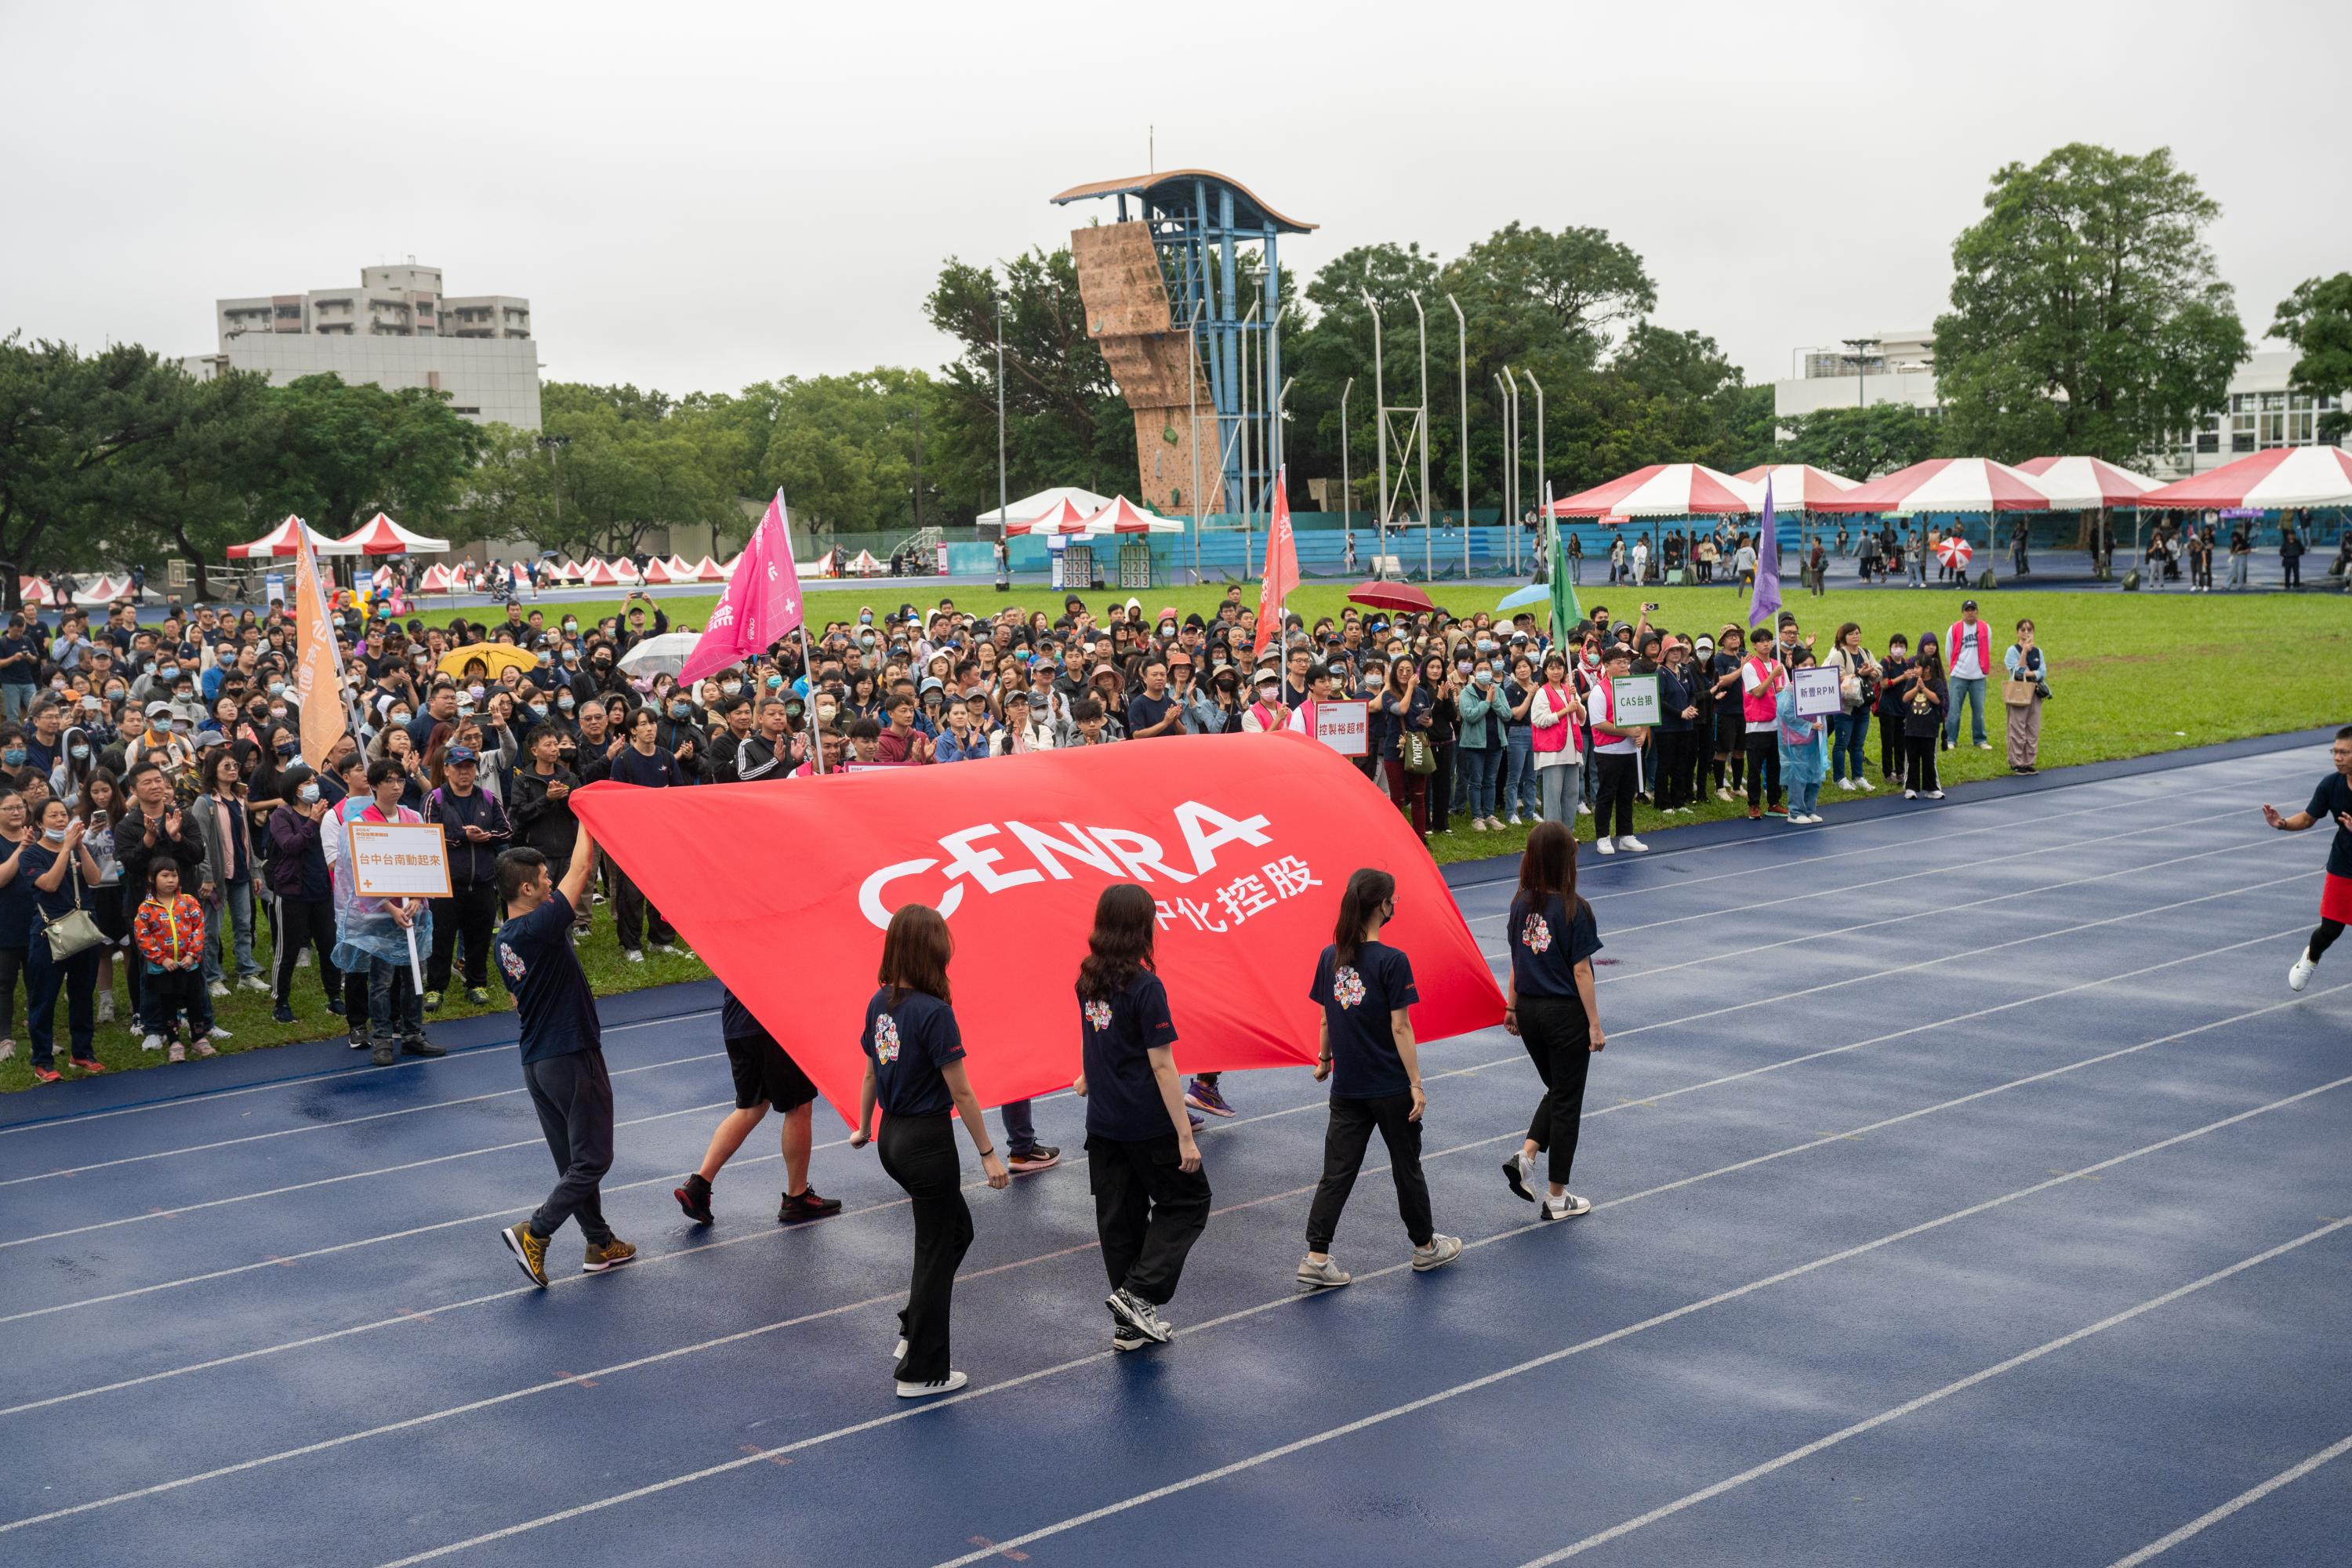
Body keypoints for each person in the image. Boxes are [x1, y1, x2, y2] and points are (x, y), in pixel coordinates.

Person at [847, 903, 1009, 1398]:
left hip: (893, 1137)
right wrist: (988, 1153)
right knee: (936, 1252)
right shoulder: (936, 1013)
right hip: (925, 1142)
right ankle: (923, 1371)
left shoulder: (881, 1003)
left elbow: (873, 1070)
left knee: (956, 1231)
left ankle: (913, 1326)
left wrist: (863, 1125)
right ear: (932, 952)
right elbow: (961, 1092)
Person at [1297, 867, 1462, 1291]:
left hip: (1347, 1088)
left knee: (1337, 1172)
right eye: (1394, 898)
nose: (1396, 905)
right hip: (1389, 1086)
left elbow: (1326, 1016)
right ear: (1383, 906)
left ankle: (1317, 1256)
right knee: (1406, 1167)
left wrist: (1324, 1060)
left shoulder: (1328, 957)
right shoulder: (1393, 961)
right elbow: (1401, 1027)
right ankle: (1425, 1248)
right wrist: (1416, 1083)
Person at [495, 821, 637, 1287]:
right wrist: (586, 815)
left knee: (573, 1162)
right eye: (544, 878)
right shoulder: (539, 926)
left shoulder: (504, 941)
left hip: (537, 1062)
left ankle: (599, 1242)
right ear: (526, 887)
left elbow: (519, 999)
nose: (552, 883)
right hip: (571, 1052)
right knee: (593, 1159)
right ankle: (535, 1233)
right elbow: (583, 865)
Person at [1071, 883, 1209, 1351]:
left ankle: (1130, 1325)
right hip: (1145, 1122)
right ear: (1141, 927)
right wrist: (1184, 1134)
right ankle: (1138, 1295)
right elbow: (1162, 1064)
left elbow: (1099, 1038)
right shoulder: (1146, 987)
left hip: (1103, 1124)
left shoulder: (1087, 980)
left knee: (1119, 1220)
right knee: (1189, 1202)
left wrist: (1090, 1075)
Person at [673, 982, 844, 1227]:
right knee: (798, 1107)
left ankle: (699, 1184)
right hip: (772, 1022)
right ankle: (797, 1198)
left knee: (751, 1107)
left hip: (736, 1021)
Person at [1501, 821, 1603, 1221]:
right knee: (1568, 1102)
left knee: (1559, 1089)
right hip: (1563, 1015)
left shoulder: (1519, 903)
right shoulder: (1576, 909)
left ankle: (1526, 1155)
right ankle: (1557, 1196)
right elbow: (1582, 972)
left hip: (1528, 1011)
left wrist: (1511, 1008)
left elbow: (1515, 960)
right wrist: (1594, 1024)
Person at [20, 797, 108, 1077]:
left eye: (64, 815)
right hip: (49, 932)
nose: (61, 820)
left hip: (83, 927)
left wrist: (80, 847)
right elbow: (49, 883)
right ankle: (43, 1061)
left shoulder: (76, 848)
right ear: (39, 823)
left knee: (82, 993)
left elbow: (95, 879)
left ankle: (82, 1052)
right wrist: (66, 849)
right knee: (44, 997)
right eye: (53, 816)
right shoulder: (31, 855)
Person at [2265, 727, 2352, 993]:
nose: (2337, 758)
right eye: (2334, 752)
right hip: (2344, 866)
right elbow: (2308, 818)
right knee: (2330, 930)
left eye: (2344, 752)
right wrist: (2282, 823)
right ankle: (2311, 958)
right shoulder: (2331, 784)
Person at [423, 745, 510, 1009]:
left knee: (479, 937)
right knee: (442, 938)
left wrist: (487, 837)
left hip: (483, 881)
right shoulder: (434, 798)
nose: (465, 771)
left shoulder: (488, 797)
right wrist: (463, 837)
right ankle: (435, 989)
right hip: (446, 884)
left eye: (470, 766)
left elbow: (505, 831)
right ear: (447, 769)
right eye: (459, 767)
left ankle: (477, 984)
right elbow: (428, 836)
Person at [133, 858, 212, 1061]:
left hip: (189, 965)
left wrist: (192, 955)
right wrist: (161, 959)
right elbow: (143, 937)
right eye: (165, 876)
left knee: (194, 1001)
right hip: (163, 969)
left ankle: (198, 1037)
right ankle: (174, 1041)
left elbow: (199, 927)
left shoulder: (188, 901)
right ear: (152, 878)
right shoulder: (146, 908)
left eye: (174, 875)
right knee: (167, 1004)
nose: (170, 880)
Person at [1585, 644, 1648, 855]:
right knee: (1606, 795)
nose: (1624, 666)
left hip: (1630, 750)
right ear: (1606, 666)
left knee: (1626, 795)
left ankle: (1626, 835)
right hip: (1608, 752)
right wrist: (1628, 731)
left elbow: (1646, 713)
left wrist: (1642, 734)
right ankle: (1603, 837)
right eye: (1619, 663)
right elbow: (1598, 723)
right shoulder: (1599, 691)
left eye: (1626, 662)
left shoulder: (1633, 685)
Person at [1528, 650, 1583, 833]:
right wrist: (1565, 711)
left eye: (1559, 668)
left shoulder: (1570, 691)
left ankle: (1568, 834)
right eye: (1552, 668)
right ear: (1545, 671)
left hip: (1572, 750)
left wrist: (1577, 704)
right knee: (1553, 797)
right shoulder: (1543, 693)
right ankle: (1553, 837)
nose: (1556, 672)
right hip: (1553, 752)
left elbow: (1582, 717)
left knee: (1571, 795)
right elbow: (1539, 720)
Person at [1777, 645, 1830, 825]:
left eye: (1812, 664)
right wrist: (1809, 725)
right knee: (1798, 776)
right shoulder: (1791, 689)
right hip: (1796, 739)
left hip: (1815, 738)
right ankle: (1795, 811)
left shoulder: (1818, 685)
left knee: (1814, 774)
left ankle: (1810, 809)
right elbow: (1786, 713)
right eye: (1804, 665)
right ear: (1796, 667)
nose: (1809, 668)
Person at [1740, 631, 1787, 820]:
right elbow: (1758, 692)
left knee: (1776, 767)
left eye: (1769, 641)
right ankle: (1754, 804)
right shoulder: (1750, 667)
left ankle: (1774, 803)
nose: (1766, 644)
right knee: (1755, 769)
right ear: (1754, 646)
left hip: (1777, 725)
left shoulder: (1778, 665)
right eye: (1762, 642)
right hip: (1757, 727)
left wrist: (1783, 688)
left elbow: (1785, 689)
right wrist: (1773, 676)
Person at [1902, 634, 1948, 800]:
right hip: (1912, 728)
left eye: (1918, 667)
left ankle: (1932, 788)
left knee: (1929, 760)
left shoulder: (1937, 682)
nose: (1915, 670)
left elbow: (1937, 699)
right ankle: (1911, 788)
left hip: (1930, 728)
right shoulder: (1912, 681)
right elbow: (1905, 698)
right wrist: (1916, 688)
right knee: (1912, 759)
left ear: (1927, 669)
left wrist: (1924, 689)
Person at [2002, 618, 2049, 775]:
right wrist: (2024, 653)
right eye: (2023, 629)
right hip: (2018, 693)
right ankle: (2017, 762)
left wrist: (2031, 674)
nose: (2026, 632)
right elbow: (2017, 673)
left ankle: (2029, 762)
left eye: (2029, 629)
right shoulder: (2012, 651)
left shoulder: (2039, 652)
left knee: (2032, 728)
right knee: (2017, 728)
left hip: (2035, 693)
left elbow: (2042, 673)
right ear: (2018, 632)